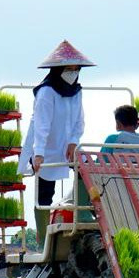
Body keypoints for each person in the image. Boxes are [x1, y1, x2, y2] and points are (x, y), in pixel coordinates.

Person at [17, 40, 94, 245]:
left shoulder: (77, 92)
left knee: (85, 169)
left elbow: (79, 121)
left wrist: (73, 141)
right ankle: (43, 237)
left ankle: (81, 213)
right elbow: (42, 125)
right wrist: (39, 152)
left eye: (76, 69)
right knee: (45, 192)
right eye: (69, 69)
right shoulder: (46, 92)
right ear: (59, 70)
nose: (73, 72)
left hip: (68, 145)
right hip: (48, 147)